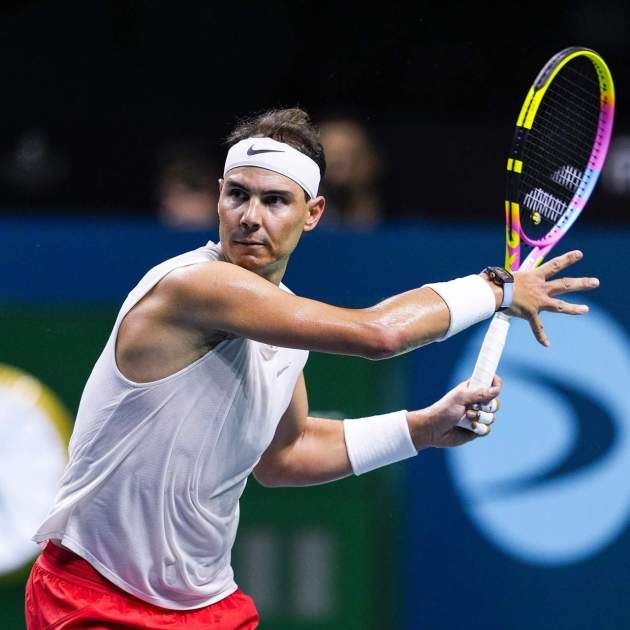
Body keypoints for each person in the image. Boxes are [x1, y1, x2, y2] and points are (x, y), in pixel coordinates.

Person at [25, 108, 598, 629]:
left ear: (313, 212)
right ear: (218, 197)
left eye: (275, 201)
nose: (250, 218)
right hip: (94, 596)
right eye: (237, 195)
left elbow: (286, 455)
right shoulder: (193, 286)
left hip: (207, 606)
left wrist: (422, 429)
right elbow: (380, 334)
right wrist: (497, 288)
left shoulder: (281, 322)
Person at [318, 117, 383, 228]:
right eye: (328, 154)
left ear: (372, 161)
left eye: (352, 155)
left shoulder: (404, 225)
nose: (337, 163)